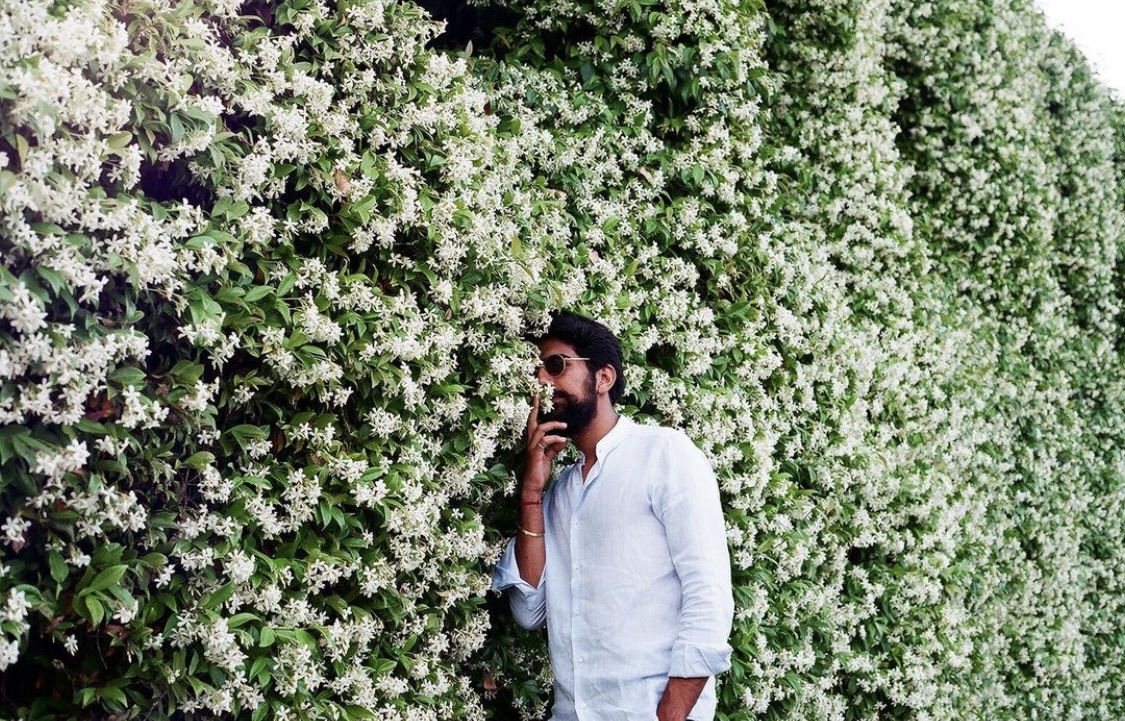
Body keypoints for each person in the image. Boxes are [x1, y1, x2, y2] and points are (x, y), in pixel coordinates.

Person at [493, 311, 734, 721]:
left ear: (603, 378)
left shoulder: (664, 454)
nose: (544, 383)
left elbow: (708, 595)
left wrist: (671, 716)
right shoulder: (560, 493)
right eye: (538, 373)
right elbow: (529, 612)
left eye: (556, 366)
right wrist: (532, 492)